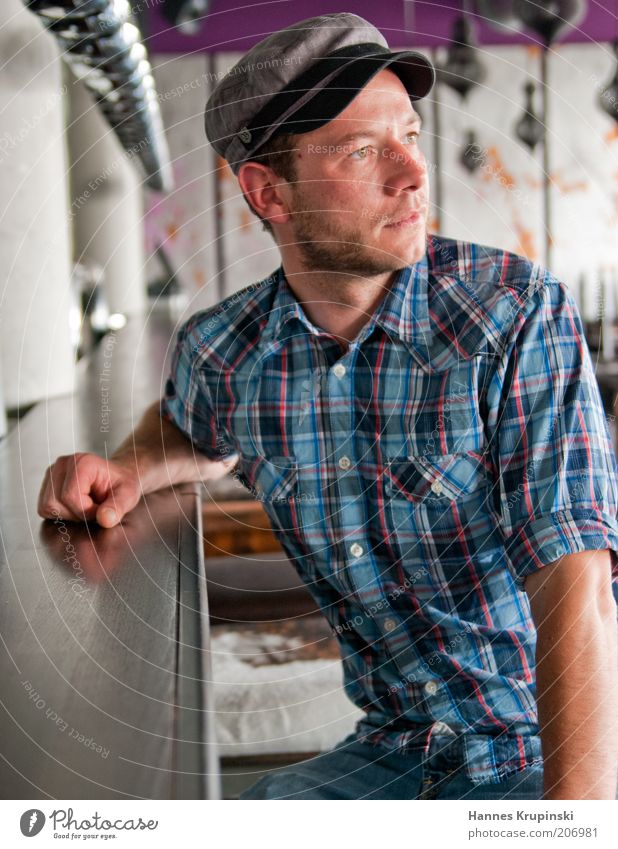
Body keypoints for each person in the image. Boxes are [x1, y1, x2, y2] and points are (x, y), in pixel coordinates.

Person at [38, 13, 618, 801]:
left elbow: (574, 579)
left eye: (410, 135)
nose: (413, 172)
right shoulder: (225, 347)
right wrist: (130, 467)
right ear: (266, 191)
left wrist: (574, 819)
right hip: (393, 747)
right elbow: (190, 425)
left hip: (542, 745)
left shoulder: (514, 313)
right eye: (363, 151)